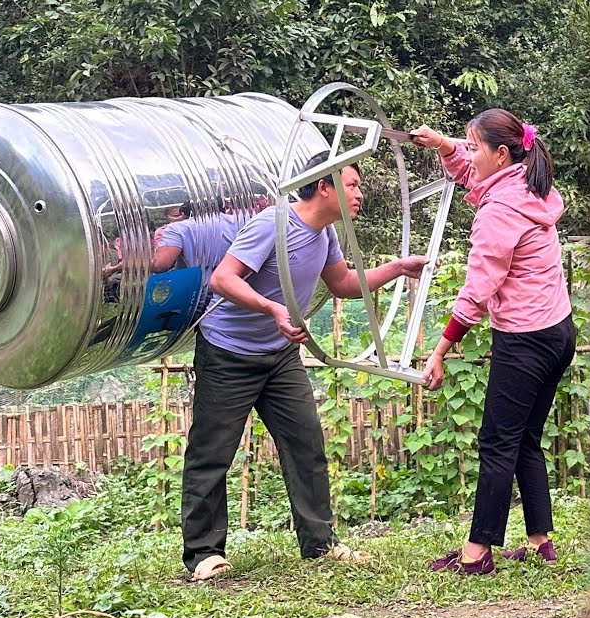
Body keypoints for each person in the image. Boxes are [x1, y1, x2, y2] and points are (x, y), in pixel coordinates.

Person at [180, 150, 428, 581]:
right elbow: (223, 279)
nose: (360, 194)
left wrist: (397, 268)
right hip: (228, 353)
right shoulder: (272, 225)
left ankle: (319, 543)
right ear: (324, 185)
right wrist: (272, 309)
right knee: (212, 451)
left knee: (306, 444)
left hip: (278, 356)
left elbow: (343, 283)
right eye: (352, 184)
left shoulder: (326, 233)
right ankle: (204, 554)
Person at [410, 110, 577, 575]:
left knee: (497, 441)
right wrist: (444, 144)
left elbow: (478, 291)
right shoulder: (527, 185)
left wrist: (441, 348)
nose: (468, 154)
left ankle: (478, 551)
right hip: (558, 331)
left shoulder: (499, 212)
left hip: (525, 339)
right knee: (526, 438)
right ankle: (541, 542)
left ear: (501, 154)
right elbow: (470, 167)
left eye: (474, 146)